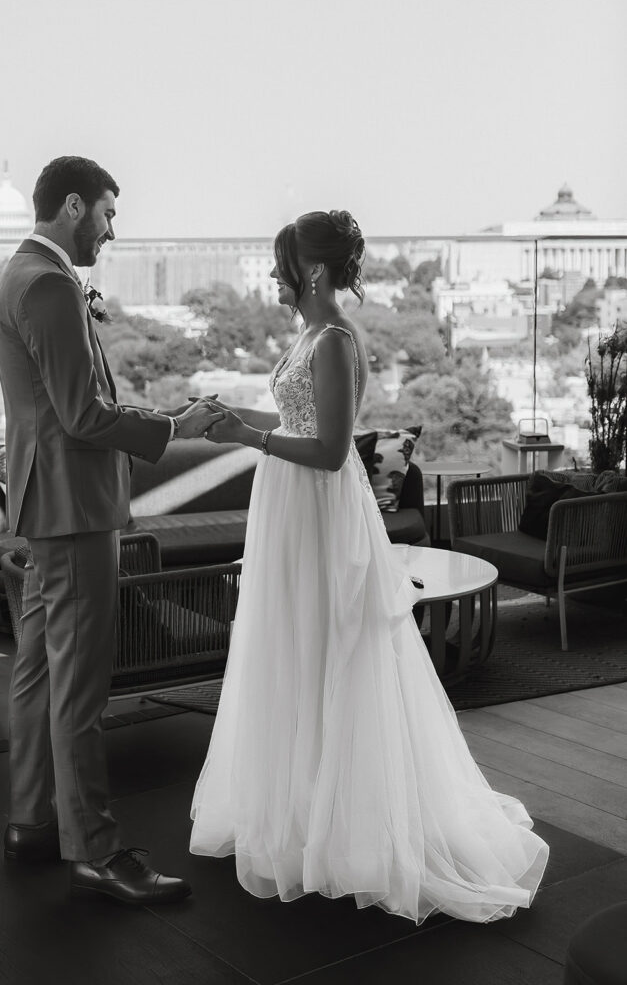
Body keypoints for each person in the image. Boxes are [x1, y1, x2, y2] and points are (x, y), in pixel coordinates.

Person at [188, 210, 549, 924]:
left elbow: (327, 451)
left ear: (312, 271)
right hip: (292, 510)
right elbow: (301, 431)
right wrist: (243, 424)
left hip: (319, 512)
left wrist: (244, 435)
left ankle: (346, 825)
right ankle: (301, 812)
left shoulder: (334, 339)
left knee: (335, 651)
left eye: (280, 260)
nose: (271, 273)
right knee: (295, 651)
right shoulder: (308, 336)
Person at [0, 155, 220, 906]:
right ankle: (96, 850)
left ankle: (30, 823)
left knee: (37, 673)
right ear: (74, 207)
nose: (113, 232)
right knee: (81, 685)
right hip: (74, 508)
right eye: (109, 216)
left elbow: (55, 408)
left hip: (43, 503)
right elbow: (83, 415)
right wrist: (172, 423)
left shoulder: (18, 275)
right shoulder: (51, 286)